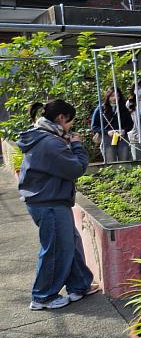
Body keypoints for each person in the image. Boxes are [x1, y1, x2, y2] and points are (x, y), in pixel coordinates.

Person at [17, 100, 97, 310]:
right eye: (70, 121)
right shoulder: (50, 142)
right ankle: (42, 296)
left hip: (46, 199)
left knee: (68, 241)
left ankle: (79, 285)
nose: (71, 126)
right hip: (48, 202)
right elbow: (75, 168)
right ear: (61, 118)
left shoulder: (44, 136)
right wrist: (77, 145)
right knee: (55, 249)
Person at [91, 88, 134, 162]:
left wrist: (124, 131)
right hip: (107, 138)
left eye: (117, 96)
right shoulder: (100, 109)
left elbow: (130, 124)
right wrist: (107, 132)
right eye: (112, 96)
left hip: (122, 138)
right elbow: (94, 126)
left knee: (124, 160)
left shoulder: (123, 108)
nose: (114, 98)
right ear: (108, 96)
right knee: (110, 161)